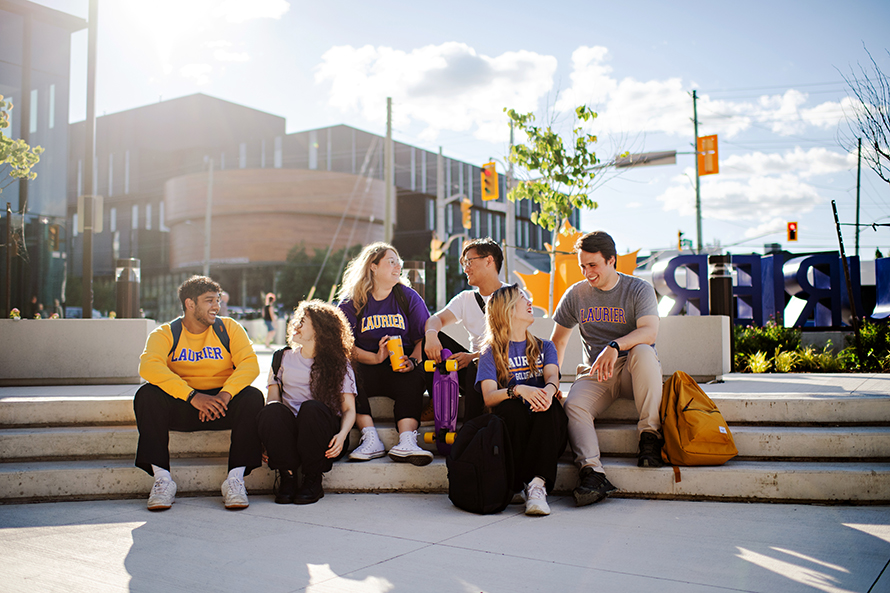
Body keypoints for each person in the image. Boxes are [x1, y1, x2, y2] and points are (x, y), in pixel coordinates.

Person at [550, 231, 663, 508]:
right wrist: (550, 383)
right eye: (582, 266)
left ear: (611, 260)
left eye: (593, 265)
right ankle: (592, 473)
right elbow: (557, 342)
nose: (587, 272)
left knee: (644, 351)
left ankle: (650, 436)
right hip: (596, 374)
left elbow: (649, 332)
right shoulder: (575, 294)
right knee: (574, 406)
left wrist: (614, 346)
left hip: (631, 369)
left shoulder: (638, 289)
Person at [135, 275, 264, 511]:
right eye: (209, 301)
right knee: (147, 395)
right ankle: (163, 481)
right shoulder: (165, 333)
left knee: (253, 397)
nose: (217, 306)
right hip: (184, 404)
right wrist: (193, 397)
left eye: (217, 300)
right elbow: (149, 366)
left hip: (222, 404)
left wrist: (224, 395)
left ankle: (235, 480)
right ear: (190, 304)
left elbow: (249, 364)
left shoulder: (230, 328)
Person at [337, 242, 433, 465]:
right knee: (347, 373)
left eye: (398, 262)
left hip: (400, 366)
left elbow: (423, 337)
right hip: (365, 364)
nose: (397, 265)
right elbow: (344, 345)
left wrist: (413, 361)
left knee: (414, 376)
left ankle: (408, 440)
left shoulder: (407, 296)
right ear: (373, 266)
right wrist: (375, 357)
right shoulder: (353, 302)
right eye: (391, 261)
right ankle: (370, 439)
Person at [476, 284, 568, 516]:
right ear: (507, 309)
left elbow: (552, 378)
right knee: (512, 407)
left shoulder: (545, 346)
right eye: (522, 298)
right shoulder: (491, 352)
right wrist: (518, 390)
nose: (529, 302)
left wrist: (547, 391)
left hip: (545, 429)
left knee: (549, 405)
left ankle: (537, 485)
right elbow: (488, 397)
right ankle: (518, 482)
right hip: (514, 432)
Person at [257, 300, 357, 504]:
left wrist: (342, 434)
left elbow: (348, 409)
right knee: (272, 411)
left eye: (302, 321)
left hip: (323, 436)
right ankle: (288, 477)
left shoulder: (340, 365)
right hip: (290, 433)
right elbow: (273, 399)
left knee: (311, 408)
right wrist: (267, 438)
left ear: (320, 330)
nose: (295, 324)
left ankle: (312, 479)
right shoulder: (281, 358)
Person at [423, 238, 512, 421]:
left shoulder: (513, 295)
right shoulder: (465, 298)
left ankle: (472, 428)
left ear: (489, 261)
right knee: (427, 338)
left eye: (469, 262)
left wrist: (473, 356)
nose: (465, 269)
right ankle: (436, 402)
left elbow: (514, 344)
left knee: (475, 366)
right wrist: (431, 336)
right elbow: (436, 319)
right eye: (464, 263)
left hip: (502, 371)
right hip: (470, 367)